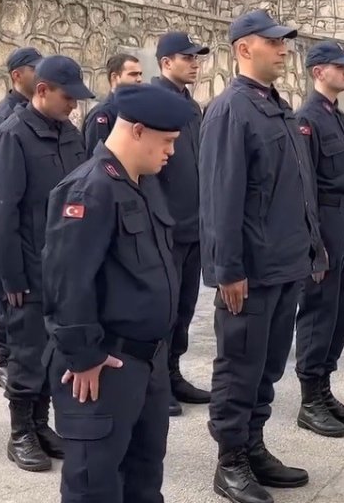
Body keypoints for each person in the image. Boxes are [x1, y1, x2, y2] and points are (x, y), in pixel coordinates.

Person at [44, 83, 197, 503]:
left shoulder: (143, 183)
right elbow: (66, 281)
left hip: (147, 362)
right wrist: (84, 356)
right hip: (105, 366)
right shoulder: (89, 189)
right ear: (137, 131)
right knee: (95, 485)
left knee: (144, 479)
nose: (171, 152)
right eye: (166, 141)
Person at [200, 9, 326, 503]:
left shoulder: (275, 106)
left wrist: (313, 247)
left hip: (285, 264)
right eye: (273, 42)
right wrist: (227, 270)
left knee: (269, 366)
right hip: (250, 272)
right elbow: (220, 198)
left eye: (284, 42)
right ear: (243, 48)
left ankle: (253, 446)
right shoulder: (230, 110)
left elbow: (299, 187)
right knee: (239, 367)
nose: (283, 49)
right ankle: (230, 460)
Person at [0, 55, 95, 471]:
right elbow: (0, 214)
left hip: (65, 268)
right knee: (27, 354)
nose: (74, 105)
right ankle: (20, 433)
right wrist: (11, 277)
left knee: (51, 354)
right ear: (42, 91)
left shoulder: (69, 134)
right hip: (28, 270)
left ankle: (41, 424)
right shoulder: (11, 136)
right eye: (68, 97)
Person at [293, 41, 344, 437]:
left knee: (340, 311)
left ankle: (324, 388)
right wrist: (313, 243)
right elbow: (304, 186)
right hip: (324, 221)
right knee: (319, 310)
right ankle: (309, 400)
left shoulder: (338, 118)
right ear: (318, 72)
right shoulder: (307, 119)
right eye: (340, 66)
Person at [151, 31, 211, 417]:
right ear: (165, 62)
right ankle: (157, 384)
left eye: (196, 58)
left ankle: (173, 372)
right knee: (163, 310)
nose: (194, 63)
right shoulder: (153, 102)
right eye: (186, 57)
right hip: (167, 228)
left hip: (193, 227)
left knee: (185, 307)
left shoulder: (192, 107)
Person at [0, 46, 42, 390]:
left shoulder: (35, 114)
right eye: (35, 69)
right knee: (6, 299)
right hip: (9, 222)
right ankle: (3, 359)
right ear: (17, 75)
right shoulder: (3, 118)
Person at [82, 53, 144, 147]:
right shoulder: (102, 114)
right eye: (133, 74)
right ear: (114, 77)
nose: (139, 79)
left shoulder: (135, 111)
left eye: (140, 74)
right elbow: (96, 153)